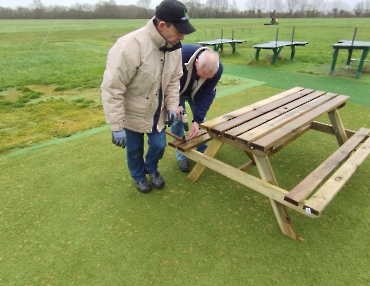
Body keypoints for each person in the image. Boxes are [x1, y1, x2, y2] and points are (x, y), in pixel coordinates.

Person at [101, 0, 195, 193]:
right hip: (132, 113)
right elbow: (113, 88)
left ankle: (151, 169)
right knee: (134, 150)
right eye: (178, 30)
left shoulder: (174, 46)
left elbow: (173, 80)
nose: (182, 36)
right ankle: (138, 176)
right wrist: (116, 125)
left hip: (157, 111)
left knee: (159, 146)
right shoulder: (129, 46)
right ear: (162, 25)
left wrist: (171, 107)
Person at [170, 44, 223, 172]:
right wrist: (175, 105)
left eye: (208, 77)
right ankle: (181, 155)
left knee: (201, 121)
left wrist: (197, 121)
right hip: (176, 90)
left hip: (197, 92)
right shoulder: (178, 58)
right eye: (202, 74)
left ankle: (202, 147)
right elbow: (167, 83)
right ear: (196, 63)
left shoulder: (217, 69)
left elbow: (207, 95)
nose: (204, 78)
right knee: (177, 121)